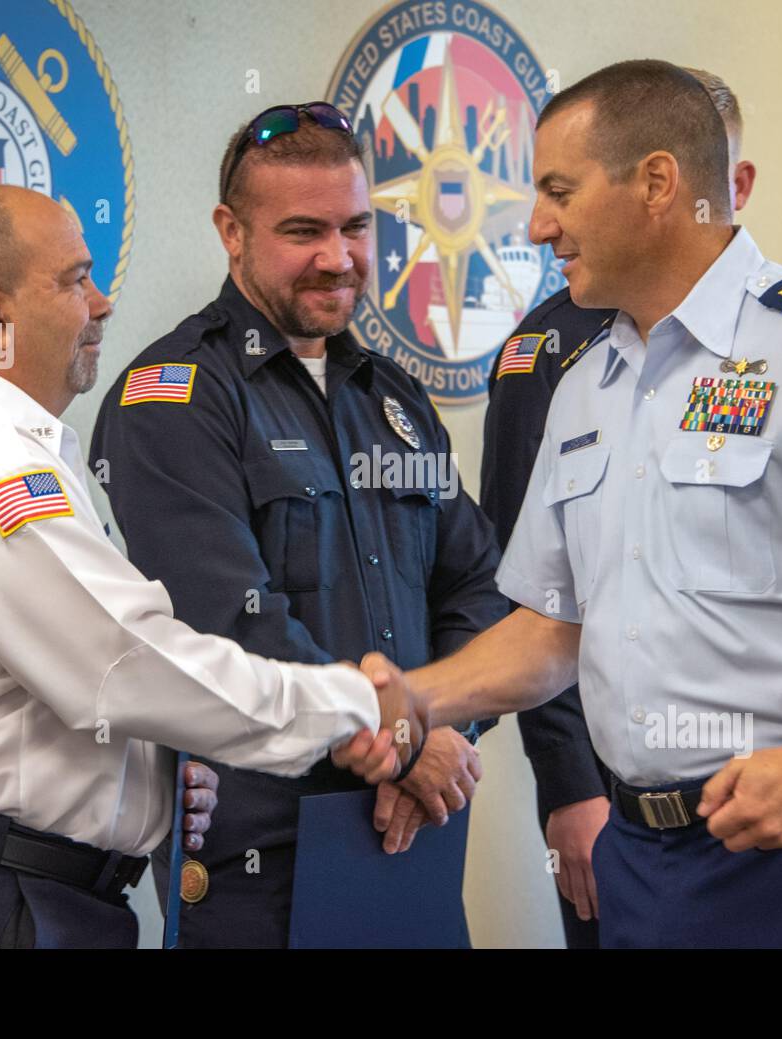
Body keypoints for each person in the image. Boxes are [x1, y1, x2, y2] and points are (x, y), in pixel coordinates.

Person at [358, 59, 782, 949]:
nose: (538, 224)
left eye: (559, 190)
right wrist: (417, 695)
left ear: (657, 184)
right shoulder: (587, 383)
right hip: (643, 863)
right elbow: (555, 627)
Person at [0, 185, 401, 950]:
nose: (102, 301)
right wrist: (358, 703)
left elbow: (39, 690)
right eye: (73, 280)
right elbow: (126, 666)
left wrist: (144, 773)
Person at [90, 103, 502, 949]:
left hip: (413, 827)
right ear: (230, 232)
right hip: (262, 856)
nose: (339, 257)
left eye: (356, 227)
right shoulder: (173, 396)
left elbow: (477, 581)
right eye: (303, 231)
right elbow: (225, 617)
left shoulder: (396, 398)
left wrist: (441, 726)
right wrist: (389, 735)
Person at [479, 67, 756, 947]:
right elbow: (542, 606)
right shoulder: (560, 361)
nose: (540, 225)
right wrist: (570, 786)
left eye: (560, 191)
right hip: (624, 806)